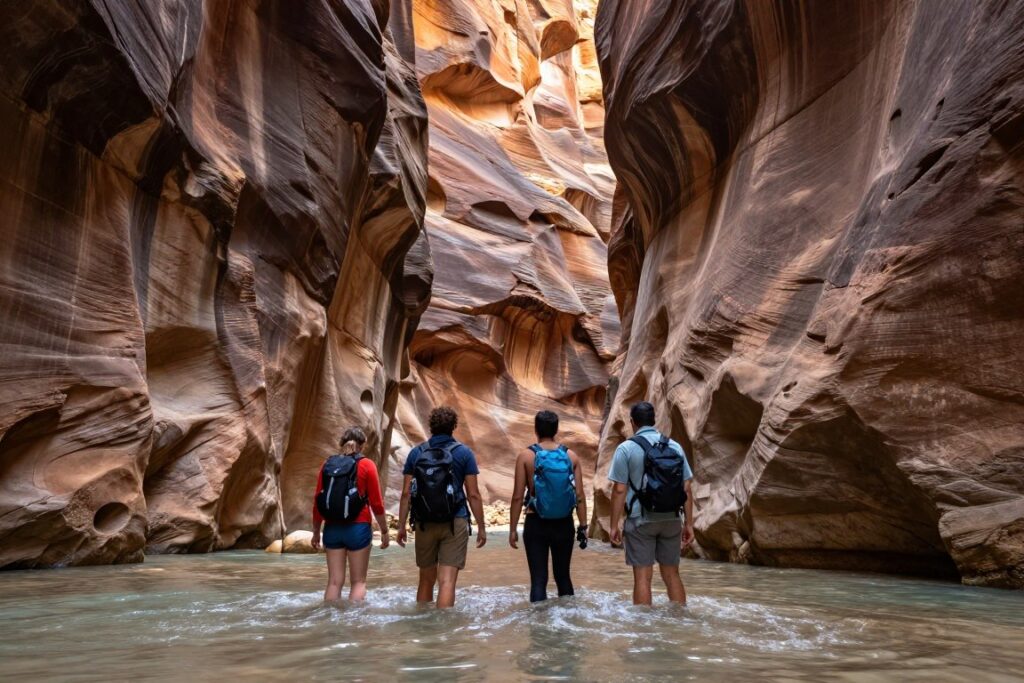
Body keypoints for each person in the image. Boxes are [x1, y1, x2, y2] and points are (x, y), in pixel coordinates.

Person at [396, 406, 486, 608]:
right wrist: (481, 526)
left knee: (426, 579)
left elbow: (406, 494)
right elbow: (473, 494)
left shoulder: (416, 453)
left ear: (431, 426)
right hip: (455, 520)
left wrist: (401, 526)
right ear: (453, 427)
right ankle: (443, 633)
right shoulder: (464, 453)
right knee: (447, 582)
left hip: (423, 522)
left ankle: (423, 627)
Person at [608, 401, 694, 605]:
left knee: (643, 578)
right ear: (654, 421)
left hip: (641, 521)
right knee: (672, 575)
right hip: (672, 519)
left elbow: (619, 489)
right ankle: (682, 621)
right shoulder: (674, 446)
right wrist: (689, 524)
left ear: (632, 422)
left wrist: (614, 526)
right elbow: (687, 487)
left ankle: (643, 628)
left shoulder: (626, 449)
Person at [509, 410, 588, 602]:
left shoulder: (526, 456)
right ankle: (569, 623)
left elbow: (518, 497)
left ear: (536, 429)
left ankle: (538, 628)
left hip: (536, 522)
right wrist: (583, 527)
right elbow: (579, 496)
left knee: (538, 580)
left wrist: (512, 530)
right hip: (564, 523)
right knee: (563, 577)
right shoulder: (571, 456)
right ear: (556, 429)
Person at [310, 427, 390, 602]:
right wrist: (384, 531)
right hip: (358, 528)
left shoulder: (327, 465)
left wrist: (316, 531)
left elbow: (318, 501)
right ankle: (355, 625)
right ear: (362, 445)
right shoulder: (367, 465)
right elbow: (377, 503)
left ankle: (330, 620)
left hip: (332, 528)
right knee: (358, 582)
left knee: (333, 583)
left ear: (342, 444)